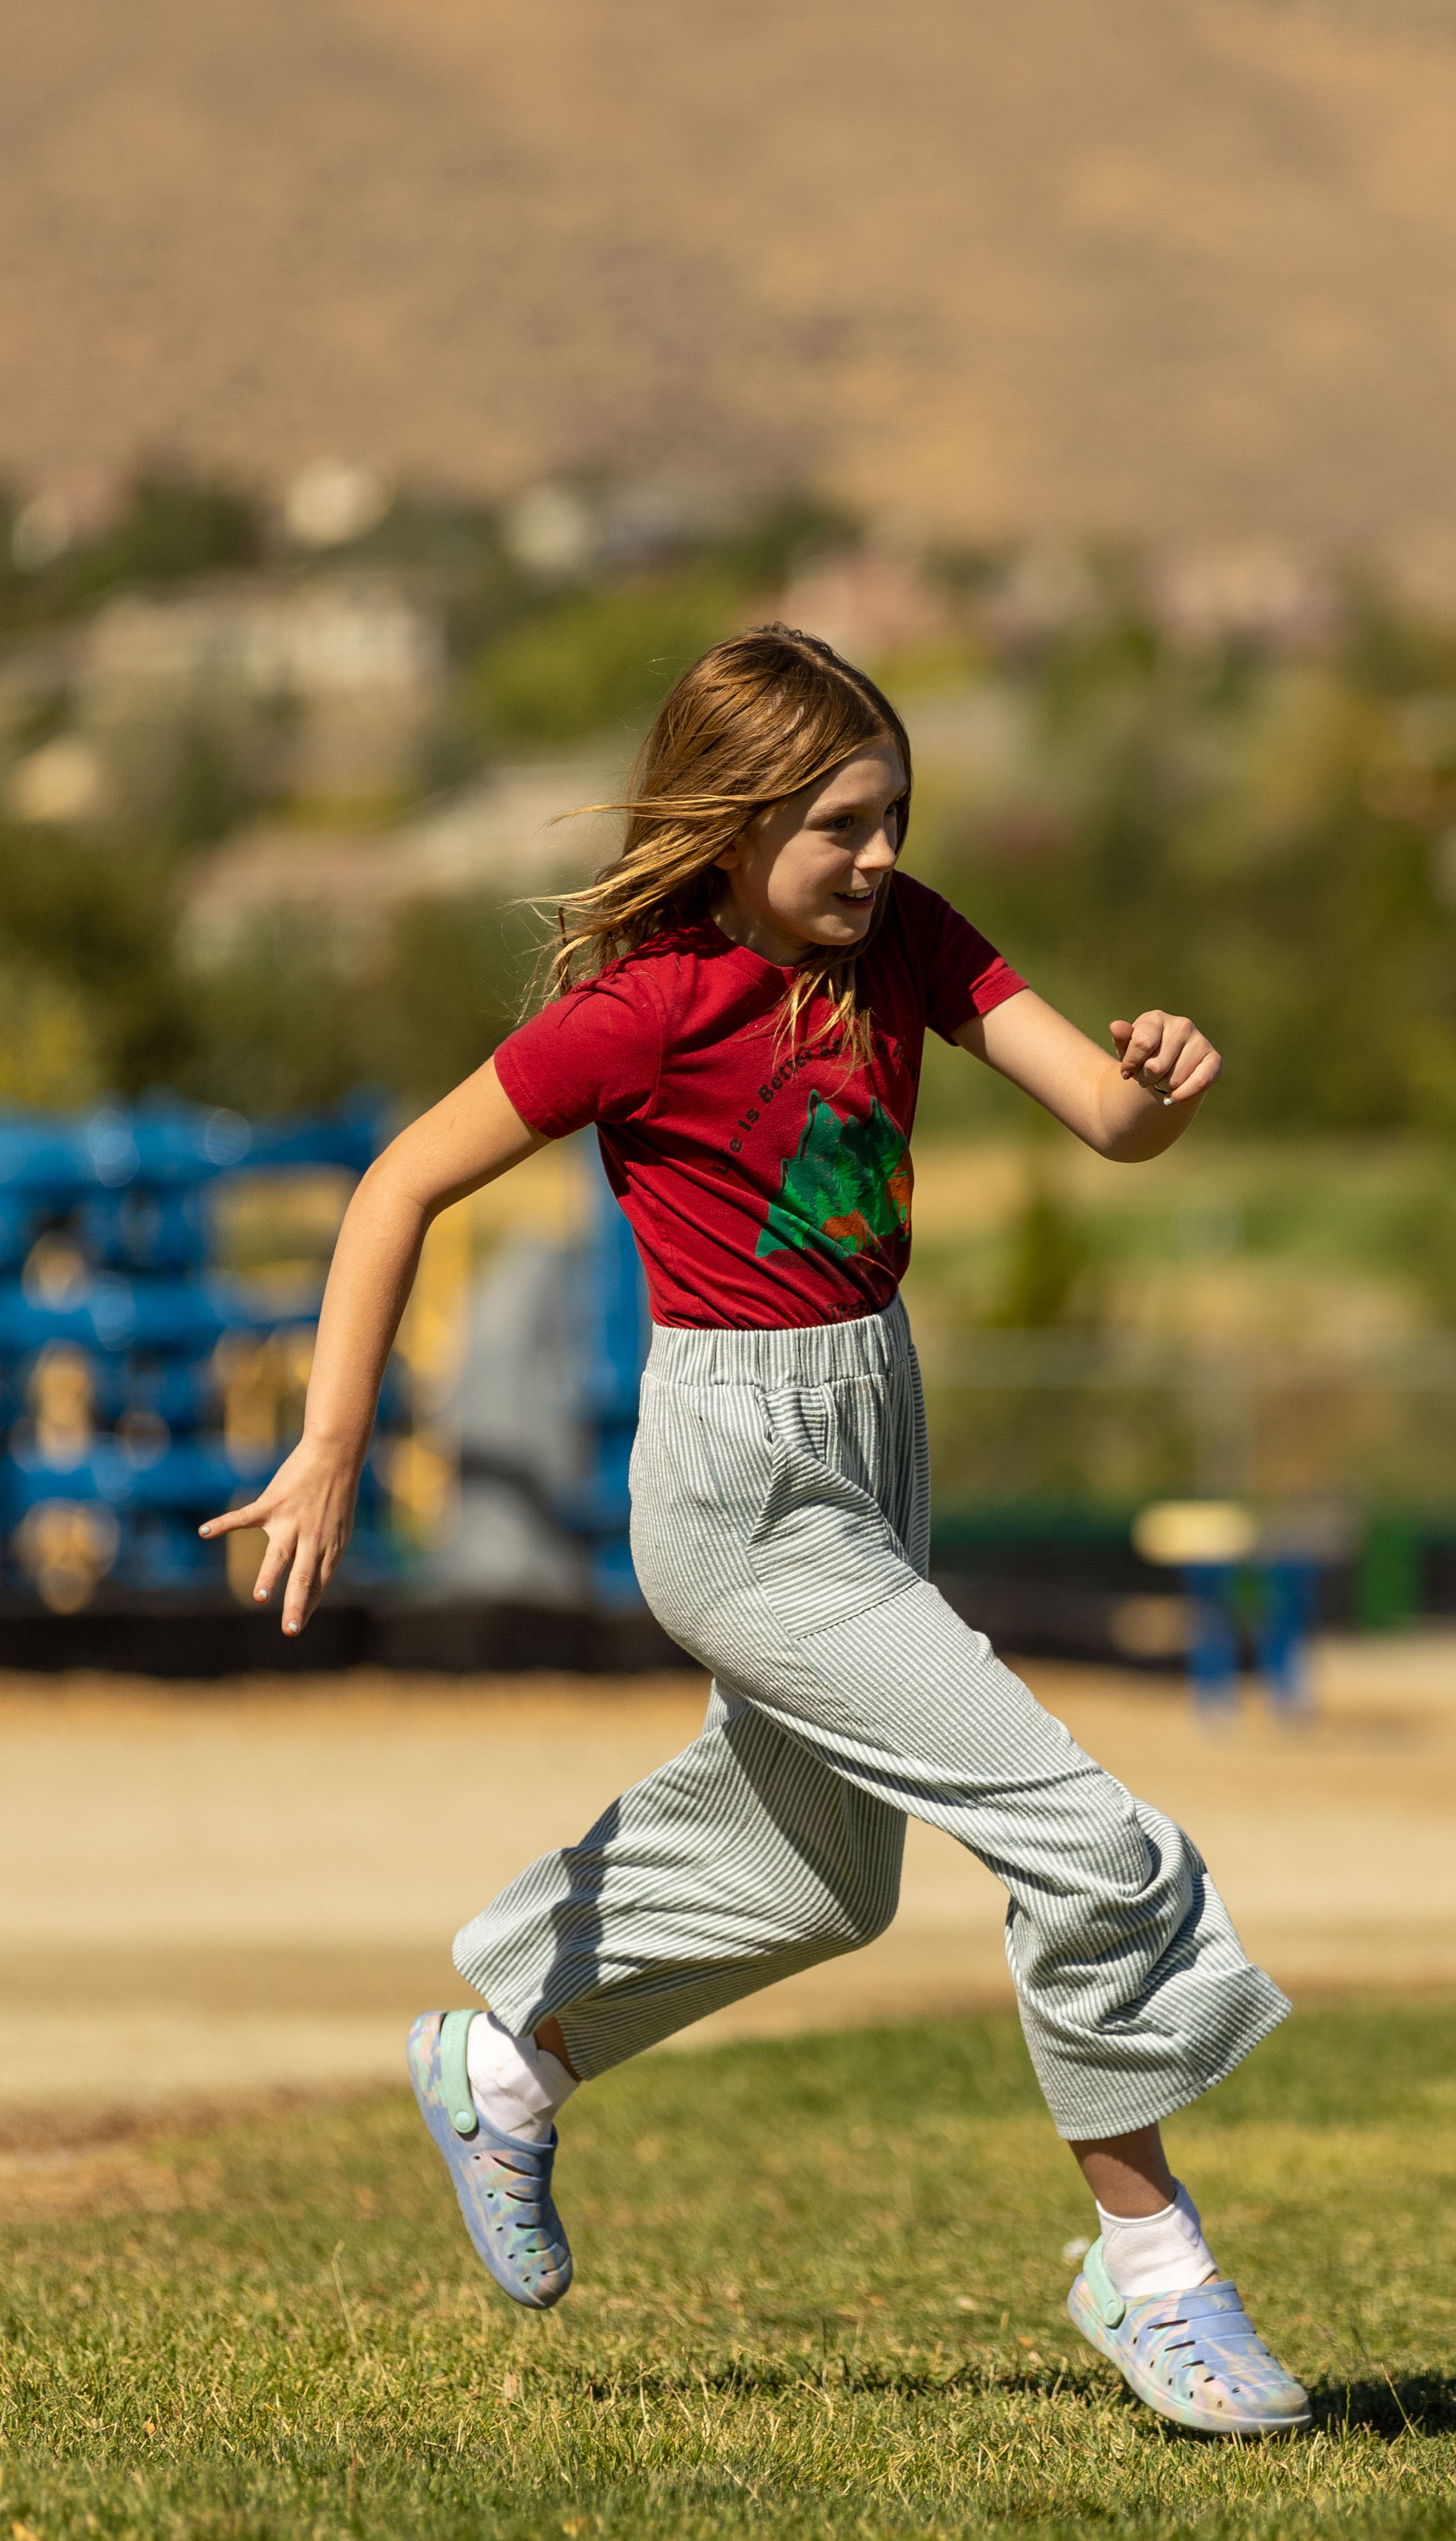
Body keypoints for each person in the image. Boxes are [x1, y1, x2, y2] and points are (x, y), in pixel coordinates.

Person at [202, 627, 1309, 2438]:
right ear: (730, 825)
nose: (879, 855)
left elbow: (1108, 1120)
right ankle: (1155, 2267)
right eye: (840, 825)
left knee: (822, 1880)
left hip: (874, 1434)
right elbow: (398, 1182)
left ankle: (504, 2066)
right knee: (1087, 1844)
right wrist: (332, 1442)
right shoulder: (646, 1009)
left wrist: (1161, 1087)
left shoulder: (913, 940)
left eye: (895, 816)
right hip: (736, 1481)